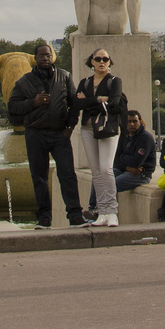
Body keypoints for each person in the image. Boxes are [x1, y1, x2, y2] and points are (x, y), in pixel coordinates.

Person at [12, 42, 83, 228]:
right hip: (35, 134)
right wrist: (33, 103)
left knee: (67, 174)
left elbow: (74, 105)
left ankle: (75, 216)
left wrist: (70, 127)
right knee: (39, 176)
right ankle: (44, 217)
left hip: (60, 134)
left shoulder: (65, 77)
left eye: (48, 55)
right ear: (35, 59)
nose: (45, 58)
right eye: (42, 55)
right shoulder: (23, 82)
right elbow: (12, 108)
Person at [71, 49, 126, 227]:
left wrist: (89, 101)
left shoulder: (114, 81)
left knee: (106, 169)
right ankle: (102, 211)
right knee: (95, 171)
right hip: (87, 129)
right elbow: (76, 103)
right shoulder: (85, 82)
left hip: (107, 128)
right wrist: (98, 100)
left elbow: (115, 103)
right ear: (92, 62)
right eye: (98, 59)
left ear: (110, 62)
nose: (102, 62)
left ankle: (113, 211)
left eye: (105, 59)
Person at [113, 109, 158, 198]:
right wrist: (127, 167)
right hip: (126, 170)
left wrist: (123, 157)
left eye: (135, 121)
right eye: (129, 121)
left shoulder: (145, 138)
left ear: (140, 122)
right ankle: (93, 207)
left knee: (111, 185)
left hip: (141, 175)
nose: (132, 124)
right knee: (100, 179)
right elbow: (115, 160)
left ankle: (107, 209)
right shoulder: (124, 136)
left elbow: (136, 162)